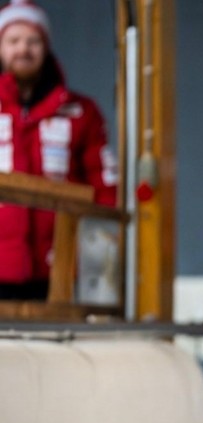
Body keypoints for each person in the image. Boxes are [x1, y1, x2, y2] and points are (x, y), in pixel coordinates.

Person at [0, 0, 117, 300]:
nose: (23, 49)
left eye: (32, 40)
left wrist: (104, 263)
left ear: (46, 46)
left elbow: (106, 190)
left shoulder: (81, 112)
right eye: (13, 40)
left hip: (63, 274)